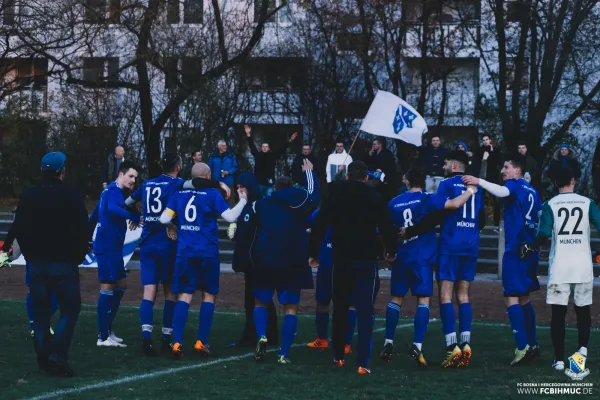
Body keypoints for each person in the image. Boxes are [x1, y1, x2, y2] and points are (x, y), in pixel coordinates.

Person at [125, 153, 229, 355]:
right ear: (179, 167)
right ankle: (167, 336)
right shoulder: (178, 184)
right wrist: (220, 185)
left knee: (149, 291)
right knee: (172, 291)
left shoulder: (146, 184)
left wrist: (136, 216)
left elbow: (128, 201)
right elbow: (201, 183)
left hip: (147, 244)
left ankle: (146, 337)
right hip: (169, 243)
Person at [384, 166, 479, 367]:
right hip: (423, 258)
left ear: (406, 181)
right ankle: (417, 345)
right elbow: (453, 204)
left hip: (402, 256)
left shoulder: (393, 202)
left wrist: (389, 251)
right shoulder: (428, 198)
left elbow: (386, 229)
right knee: (424, 300)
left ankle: (388, 342)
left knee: (396, 298)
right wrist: (471, 191)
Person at [309, 160, 397, 375]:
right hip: (365, 257)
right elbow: (386, 226)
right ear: (366, 177)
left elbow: (320, 222)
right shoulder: (375, 198)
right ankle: (362, 362)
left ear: (347, 175)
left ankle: (338, 355)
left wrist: (313, 252)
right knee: (365, 309)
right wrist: (391, 250)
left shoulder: (336, 192)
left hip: (342, 256)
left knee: (339, 306)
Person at [8, 152, 88, 377]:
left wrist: (25, 252)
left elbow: (18, 227)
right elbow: (83, 228)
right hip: (64, 263)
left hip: (37, 263)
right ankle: (57, 353)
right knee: (70, 309)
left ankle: (44, 358)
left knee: (41, 313)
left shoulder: (30, 194)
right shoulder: (71, 194)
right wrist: (79, 255)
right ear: (62, 170)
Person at [159, 163, 248, 358]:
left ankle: (177, 343)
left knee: (184, 295)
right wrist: (242, 201)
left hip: (186, 251)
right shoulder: (212, 194)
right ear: (207, 175)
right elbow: (231, 216)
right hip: (207, 252)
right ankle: (201, 342)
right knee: (208, 295)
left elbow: (163, 219)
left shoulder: (179, 194)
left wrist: (176, 225)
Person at [463, 154, 542, 366]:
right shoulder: (532, 189)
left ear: (517, 170)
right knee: (524, 297)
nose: (503, 171)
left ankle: (522, 345)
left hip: (515, 249)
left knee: (511, 297)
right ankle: (532, 344)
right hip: (530, 249)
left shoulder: (514, 185)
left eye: (506, 167)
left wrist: (479, 181)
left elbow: (502, 191)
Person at [520, 167, 600, 374]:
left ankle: (559, 360)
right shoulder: (587, 203)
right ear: (573, 181)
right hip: (582, 265)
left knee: (558, 314)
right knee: (583, 311)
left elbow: (544, 233)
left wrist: (530, 246)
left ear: (555, 184)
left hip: (560, 266)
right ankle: (581, 353)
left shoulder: (550, 205)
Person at [249, 161, 319, 364]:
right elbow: (315, 198)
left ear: (275, 189)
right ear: (292, 188)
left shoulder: (262, 204)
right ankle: (283, 354)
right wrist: (309, 174)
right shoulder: (300, 204)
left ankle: (262, 334)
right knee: (290, 307)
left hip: (266, 257)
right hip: (292, 259)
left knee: (261, 301)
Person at [90, 161, 141, 348]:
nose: (133, 180)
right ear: (120, 174)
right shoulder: (113, 191)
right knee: (109, 286)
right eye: (130, 176)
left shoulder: (111, 192)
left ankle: (107, 330)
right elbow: (112, 209)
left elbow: (95, 215)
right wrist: (134, 216)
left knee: (121, 285)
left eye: (135, 178)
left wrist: (87, 236)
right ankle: (102, 337)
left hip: (112, 246)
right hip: (107, 246)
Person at [228, 171, 279, 348]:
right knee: (249, 299)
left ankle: (271, 335)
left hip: (259, 260)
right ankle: (250, 335)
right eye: (238, 188)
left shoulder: (260, 205)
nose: (240, 190)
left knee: (263, 299)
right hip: (248, 262)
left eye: (243, 187)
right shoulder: (242, 206)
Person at [306, 211, 356, 356]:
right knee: (324, 299)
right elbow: (311, 219)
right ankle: (324, 339)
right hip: (331, 257)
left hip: (343, 258)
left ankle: (345, 343)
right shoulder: (330, 205)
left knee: (347, 302)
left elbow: (311, 219)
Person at [244, 124, 298, 197]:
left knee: (269, 200)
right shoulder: (257, 154)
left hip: (269, 183)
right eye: (263, 146)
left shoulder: (273, 155)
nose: (265, 148)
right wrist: (248, 134)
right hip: (258, 183)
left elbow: (282, 148)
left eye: (266, 147)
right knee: (259, 200)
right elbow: (251, 145)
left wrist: (291, 140)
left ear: (268, 148)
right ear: (261, 148)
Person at [473, 134, 502, 226]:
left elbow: (499, 162)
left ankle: (496, 222)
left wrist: (492, 152)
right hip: (482, 178)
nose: (485, 141)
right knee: (480, 199)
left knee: (495, 200)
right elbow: (476, 163)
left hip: (493, 178)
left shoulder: (496, 150)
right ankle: (480, 222)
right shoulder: (479, 151)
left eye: (487, 139)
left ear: (490, 140)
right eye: (483, 140)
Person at [208, 141, 238, 207]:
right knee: (217, 200)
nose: (225, 147)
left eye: (225, 145)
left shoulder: (231, 156)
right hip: (217, 182)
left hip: (229, 182)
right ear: (219, 147)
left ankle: (231, 215)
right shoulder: (213, 156)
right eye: (222, 146)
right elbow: (209, 169)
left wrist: (229, 172)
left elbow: (235, 167)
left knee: (230, 199)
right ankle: (218, 216)